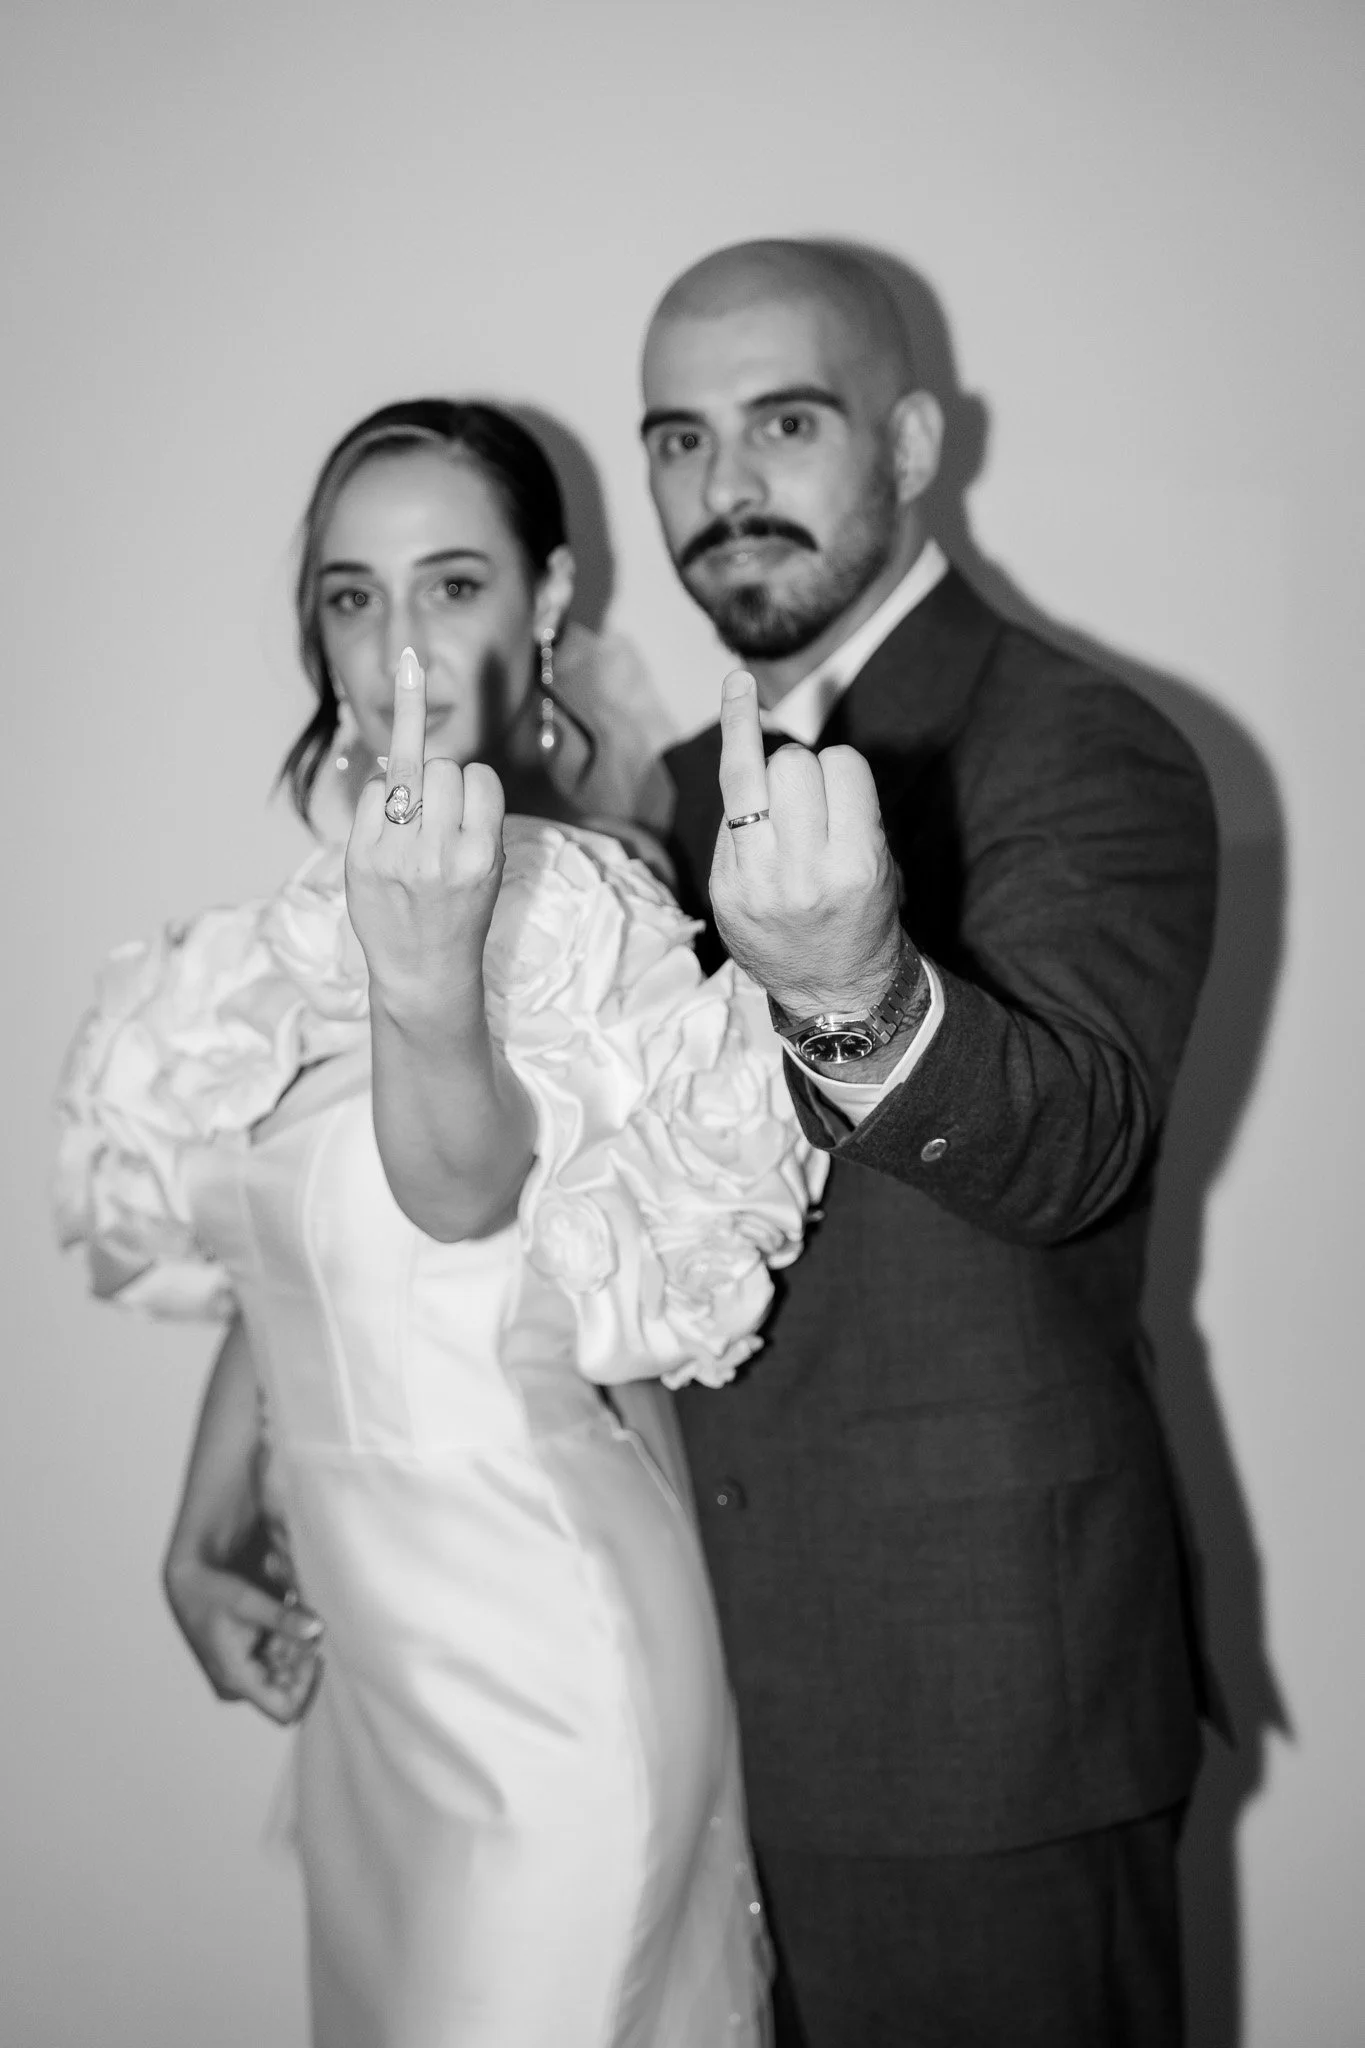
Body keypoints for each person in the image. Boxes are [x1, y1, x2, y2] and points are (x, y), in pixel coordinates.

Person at [55, 398, 828, 2048]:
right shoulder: (309, 928)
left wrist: (426, 983)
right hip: (377, 1701)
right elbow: (289, 1252)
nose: (397, 642)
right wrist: (201, 1541)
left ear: (548, 603)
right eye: (351, 595)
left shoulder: (587, 906)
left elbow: (462, 1199)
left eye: (452, 583)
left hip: (544, 1667)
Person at [642, 240, 1219, 2047]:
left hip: (984, 1720)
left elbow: (1079, 1141)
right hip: (690, 1714)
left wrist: (860, 990)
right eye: (676, 438)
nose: (723, 487)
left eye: (782, 422)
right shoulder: (659, 800)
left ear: (907, 438)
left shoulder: (1078, 739)